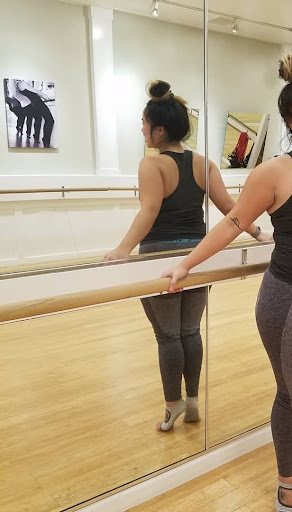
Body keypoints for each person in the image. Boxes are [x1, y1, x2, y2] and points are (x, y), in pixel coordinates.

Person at [162, 54, 292, 511]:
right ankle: (286, 480)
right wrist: (186, 264)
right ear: (290, 119)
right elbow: (232, 222)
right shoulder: (274, 171)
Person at [105, 80, 271, 432]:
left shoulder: (151, 165)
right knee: (190, 331)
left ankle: (173, 405)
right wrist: (259, 233)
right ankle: (193, 400)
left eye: (144, 124)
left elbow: (150, 210)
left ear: (159, 130)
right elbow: (231, 209)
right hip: (197, 255)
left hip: (161, 258)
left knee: (168, 336)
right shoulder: (204, 164)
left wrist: (123, 249)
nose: (142, 129)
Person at [15, 80, 54, 147]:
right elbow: (36, 91)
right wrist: (46, 96)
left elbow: (33, 93)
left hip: (33, 104)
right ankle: (46, 141)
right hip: (38, 103)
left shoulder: (17, 85)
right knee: (50, 120)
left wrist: (43, 97)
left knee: (38, 119)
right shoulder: (21, 83)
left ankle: (38, 137)